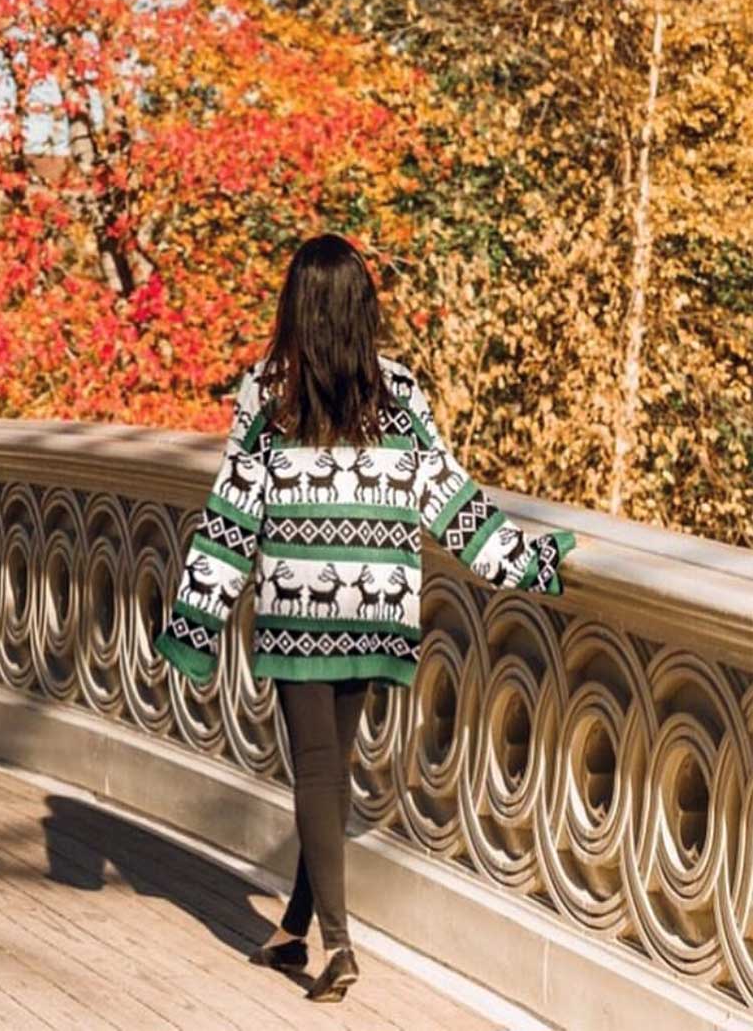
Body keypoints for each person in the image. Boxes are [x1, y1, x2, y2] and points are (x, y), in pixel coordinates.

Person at [154, 234, 574, 1004]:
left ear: (295, 308)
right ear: (362, 310)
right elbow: (450, 498)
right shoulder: (400, 393)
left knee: (315, 768)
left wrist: (193, 623)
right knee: (331, 770)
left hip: (299, 604)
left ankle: (340, 945)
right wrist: (526, 560)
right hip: (377, 604)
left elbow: (232, 516)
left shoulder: (267, 393)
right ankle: (292, 929)